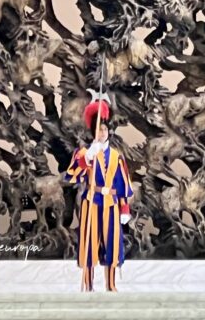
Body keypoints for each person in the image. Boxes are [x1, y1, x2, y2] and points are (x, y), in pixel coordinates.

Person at [64, 96, 133, 292]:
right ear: (92, 132)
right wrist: (87, 158)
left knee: (112, 243)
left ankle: (111, 285)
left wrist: (124, 207)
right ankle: (88, 284)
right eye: (98, 129)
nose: (102, 132)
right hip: (91, 203)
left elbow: (122, 184)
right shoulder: (84, 152)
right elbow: (72, 176)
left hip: (111, 204)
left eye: (104, 129)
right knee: (89, 243)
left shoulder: (117, 157)